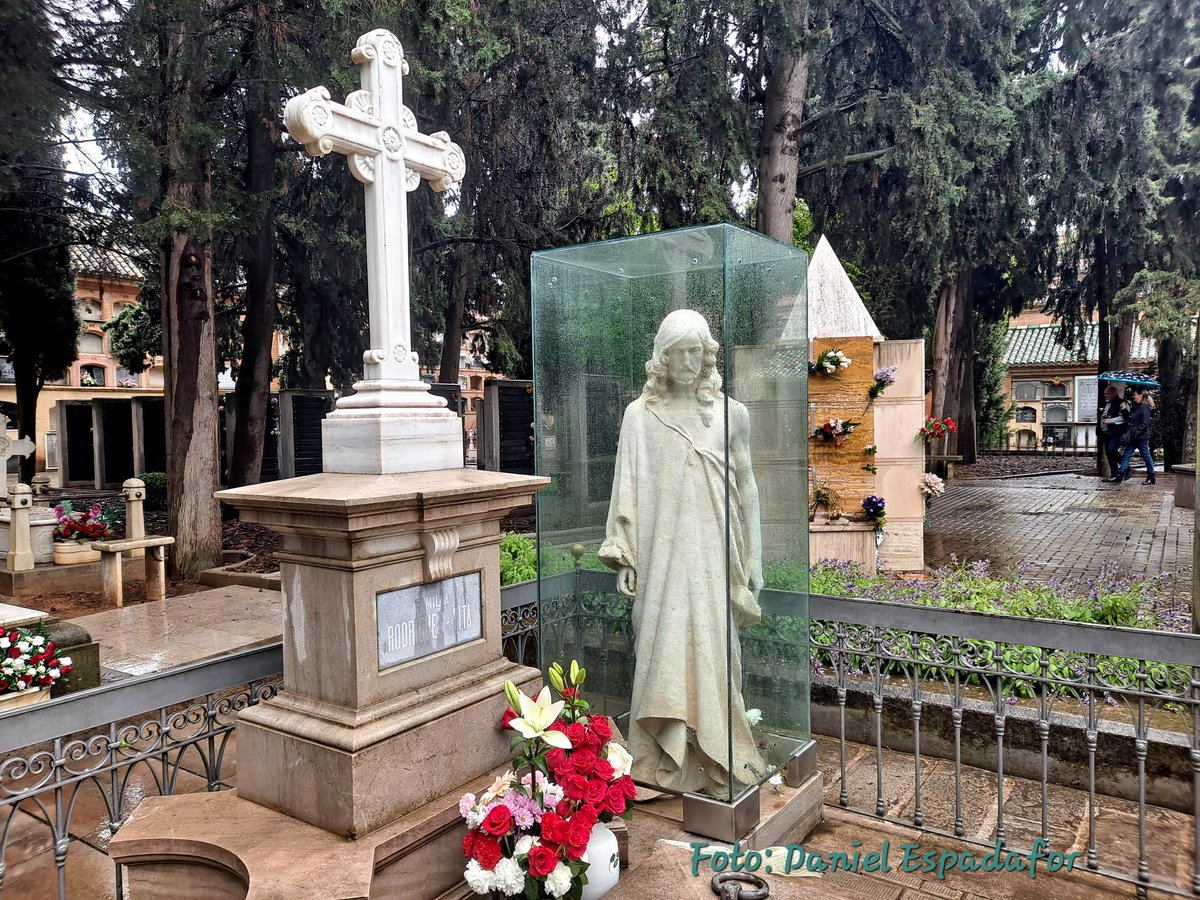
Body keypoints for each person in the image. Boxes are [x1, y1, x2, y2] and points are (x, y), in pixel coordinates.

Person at [598, 309, 765, 796]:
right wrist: (625, 553)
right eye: (679, 351)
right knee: (659, 647)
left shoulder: (733, 414)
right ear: (663, 358)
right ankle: (658, 756)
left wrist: (753, 557)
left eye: (697, 350)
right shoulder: (640, 416)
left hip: (714, 557)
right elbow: (625, 484)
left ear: (708, 354)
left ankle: (715, 754)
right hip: (661, 559)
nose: (689, 361)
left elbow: (748, 486)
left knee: (717, 651)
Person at [1108, 387, 1156, 485]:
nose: (1133, 396)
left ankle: (1151, 476)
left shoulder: (1144, 407)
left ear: (1140, 395)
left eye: (1135, 394)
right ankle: (1119, 475)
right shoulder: (1137, 407)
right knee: (1126, 455)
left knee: (1146, 456)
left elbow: (1145, 423)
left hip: (1141, 437)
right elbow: (1130, 419)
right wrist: (1124, 410)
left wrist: (1136, 432)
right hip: (1133, 437)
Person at [1098, 385, 1127, 477]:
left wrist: (1110, 420)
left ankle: (1126, 467)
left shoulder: (1121, 403)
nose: (1105, 395)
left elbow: (1124, 417)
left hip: (1116, 432)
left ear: (1113, 393)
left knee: (1111, 451)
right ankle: (1114, 475)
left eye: (1107, 393)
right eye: (1104, 394)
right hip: (1106, 433)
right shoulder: (1107, 403)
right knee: (1109, 454)